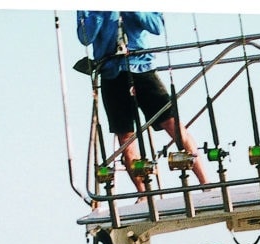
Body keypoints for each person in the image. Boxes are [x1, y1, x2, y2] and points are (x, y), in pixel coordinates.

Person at [77, 10, 209, 194]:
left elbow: (157, 26)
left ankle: (205, 184)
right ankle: (143, 194)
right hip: (110, 72)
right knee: (125, 136)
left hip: (142, 67)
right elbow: (85, 37)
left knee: (172, 123)